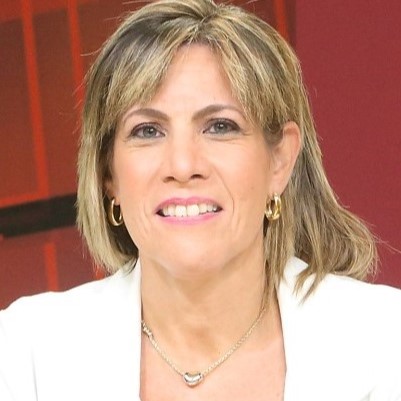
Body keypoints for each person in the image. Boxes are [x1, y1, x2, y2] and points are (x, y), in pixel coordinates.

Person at [1, 0, 400, 400]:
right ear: (109, 176)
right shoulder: (25, 355)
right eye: (148, 131)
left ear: (279, 160)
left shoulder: (385, 346)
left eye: (220, 126)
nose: (183, 165)